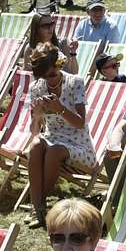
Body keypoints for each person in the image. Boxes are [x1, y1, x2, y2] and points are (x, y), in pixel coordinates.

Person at [20, 44, 96, 224]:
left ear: (59, 65)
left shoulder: (75, 82)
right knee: (36, 145)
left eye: (52, 74)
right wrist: (38, 115)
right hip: (52, 137)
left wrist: (60, 109)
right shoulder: (37, 88)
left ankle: (37, 204)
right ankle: (37, 207)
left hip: (79, 143)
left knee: (53, 151)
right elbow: (34, 132)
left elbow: (80, 123)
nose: (50, 80)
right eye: (45, 77)